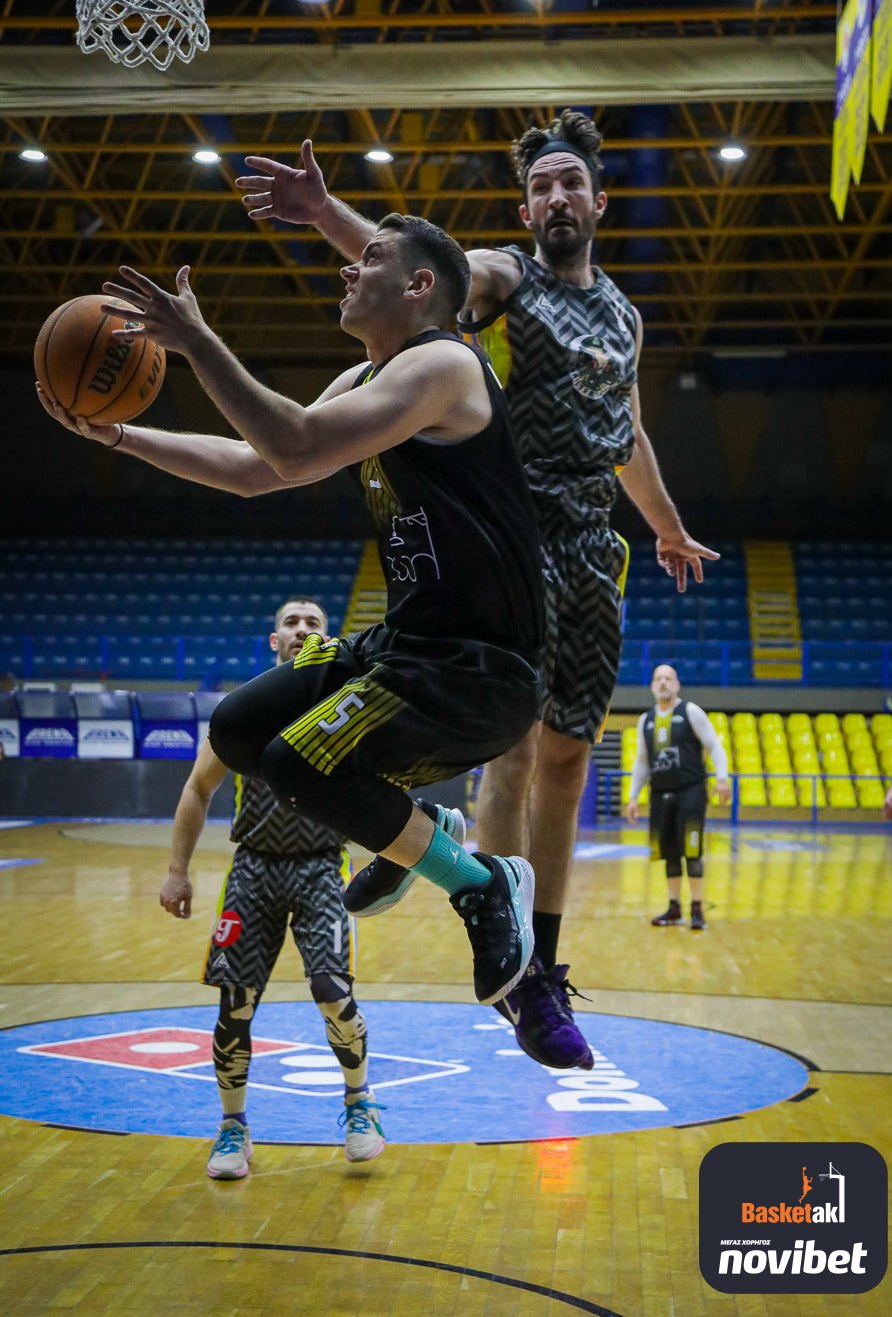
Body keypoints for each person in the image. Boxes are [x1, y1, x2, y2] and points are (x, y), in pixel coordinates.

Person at [235, 111, 718, 1069]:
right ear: (527, 209)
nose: (556, 197)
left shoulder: (624, 317)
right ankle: (512, 964)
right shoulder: (505, 276)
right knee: (516, 748)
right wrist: (327, 214)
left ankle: (539, 955)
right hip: (511, 529)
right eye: (541, 186)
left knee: (570, 760)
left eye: (571, 183)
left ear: (600, 200)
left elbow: (627, 434)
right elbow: (419, 278)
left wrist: (664, 524)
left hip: (595, 545)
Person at [36, 212, 545, 1021]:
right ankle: (424, 828)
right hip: (407, 647)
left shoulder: (446, 363)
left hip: (478, 668)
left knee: (298, 761)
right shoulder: (365, 378)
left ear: (419, 286)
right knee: (239, 729)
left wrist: (198, 341)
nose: (348, 270)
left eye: (369, 259)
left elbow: (297, 445)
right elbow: (255, 468)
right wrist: (121, 436)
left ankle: (481, 882)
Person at [159, 596, 387, 1176]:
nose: (302, 629)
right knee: (234, 1005)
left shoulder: (347, 707)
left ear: (326, 639)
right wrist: (177, 870)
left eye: (313, 623)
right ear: (274, 640)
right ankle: (232, 1128)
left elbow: (386, 789)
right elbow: (197, 788)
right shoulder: (245, 711)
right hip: (254, 869)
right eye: (292, 622)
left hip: (322, 867)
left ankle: (360, 1103)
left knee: (334, 992)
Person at [625, 664, 730, 931]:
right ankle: (674, 908)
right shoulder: (646, 720)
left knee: (692, 851)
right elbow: (642, 761)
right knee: (669, 852)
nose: (663, 682)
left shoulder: (691, 711)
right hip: (660, 793)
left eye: (668, 678)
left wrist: (722, 778)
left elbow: (714, 746)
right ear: (652, 686)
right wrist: (633, 796)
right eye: (658, 678)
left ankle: (697, 908)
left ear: (677, 684)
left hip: (691, 790)